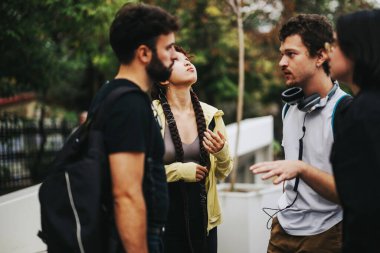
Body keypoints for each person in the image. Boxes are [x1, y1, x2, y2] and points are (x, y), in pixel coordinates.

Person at [250, 14, 348, 252]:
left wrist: (302, 169)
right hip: (282, 228)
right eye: (281, 54)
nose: (281, 62)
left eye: (291, 54)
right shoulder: (289, 109)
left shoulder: (346, 112)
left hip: (325, 234)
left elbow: (349, 193)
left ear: (321, 56)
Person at [103, 3, 178, 253]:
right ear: (144, 53)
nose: (175, 55)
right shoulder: (129, 104)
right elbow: (126, 194)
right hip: (136, 238)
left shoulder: (111, 93)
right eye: (168, 48)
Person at [152, 46, 233, 253]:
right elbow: (139, 172)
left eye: (188, 59)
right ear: (163, 79)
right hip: (163, 224)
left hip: (204, 224)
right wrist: (180, 171)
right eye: (177, 60)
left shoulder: (212, 116)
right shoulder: (150, 114)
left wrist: (221, 151)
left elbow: (223, 172)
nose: (188, 62)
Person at [327, 9, 380, 253]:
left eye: (336, 44)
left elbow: (365, 206)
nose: (329, 52)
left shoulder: (362, 115)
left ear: (357, 48)